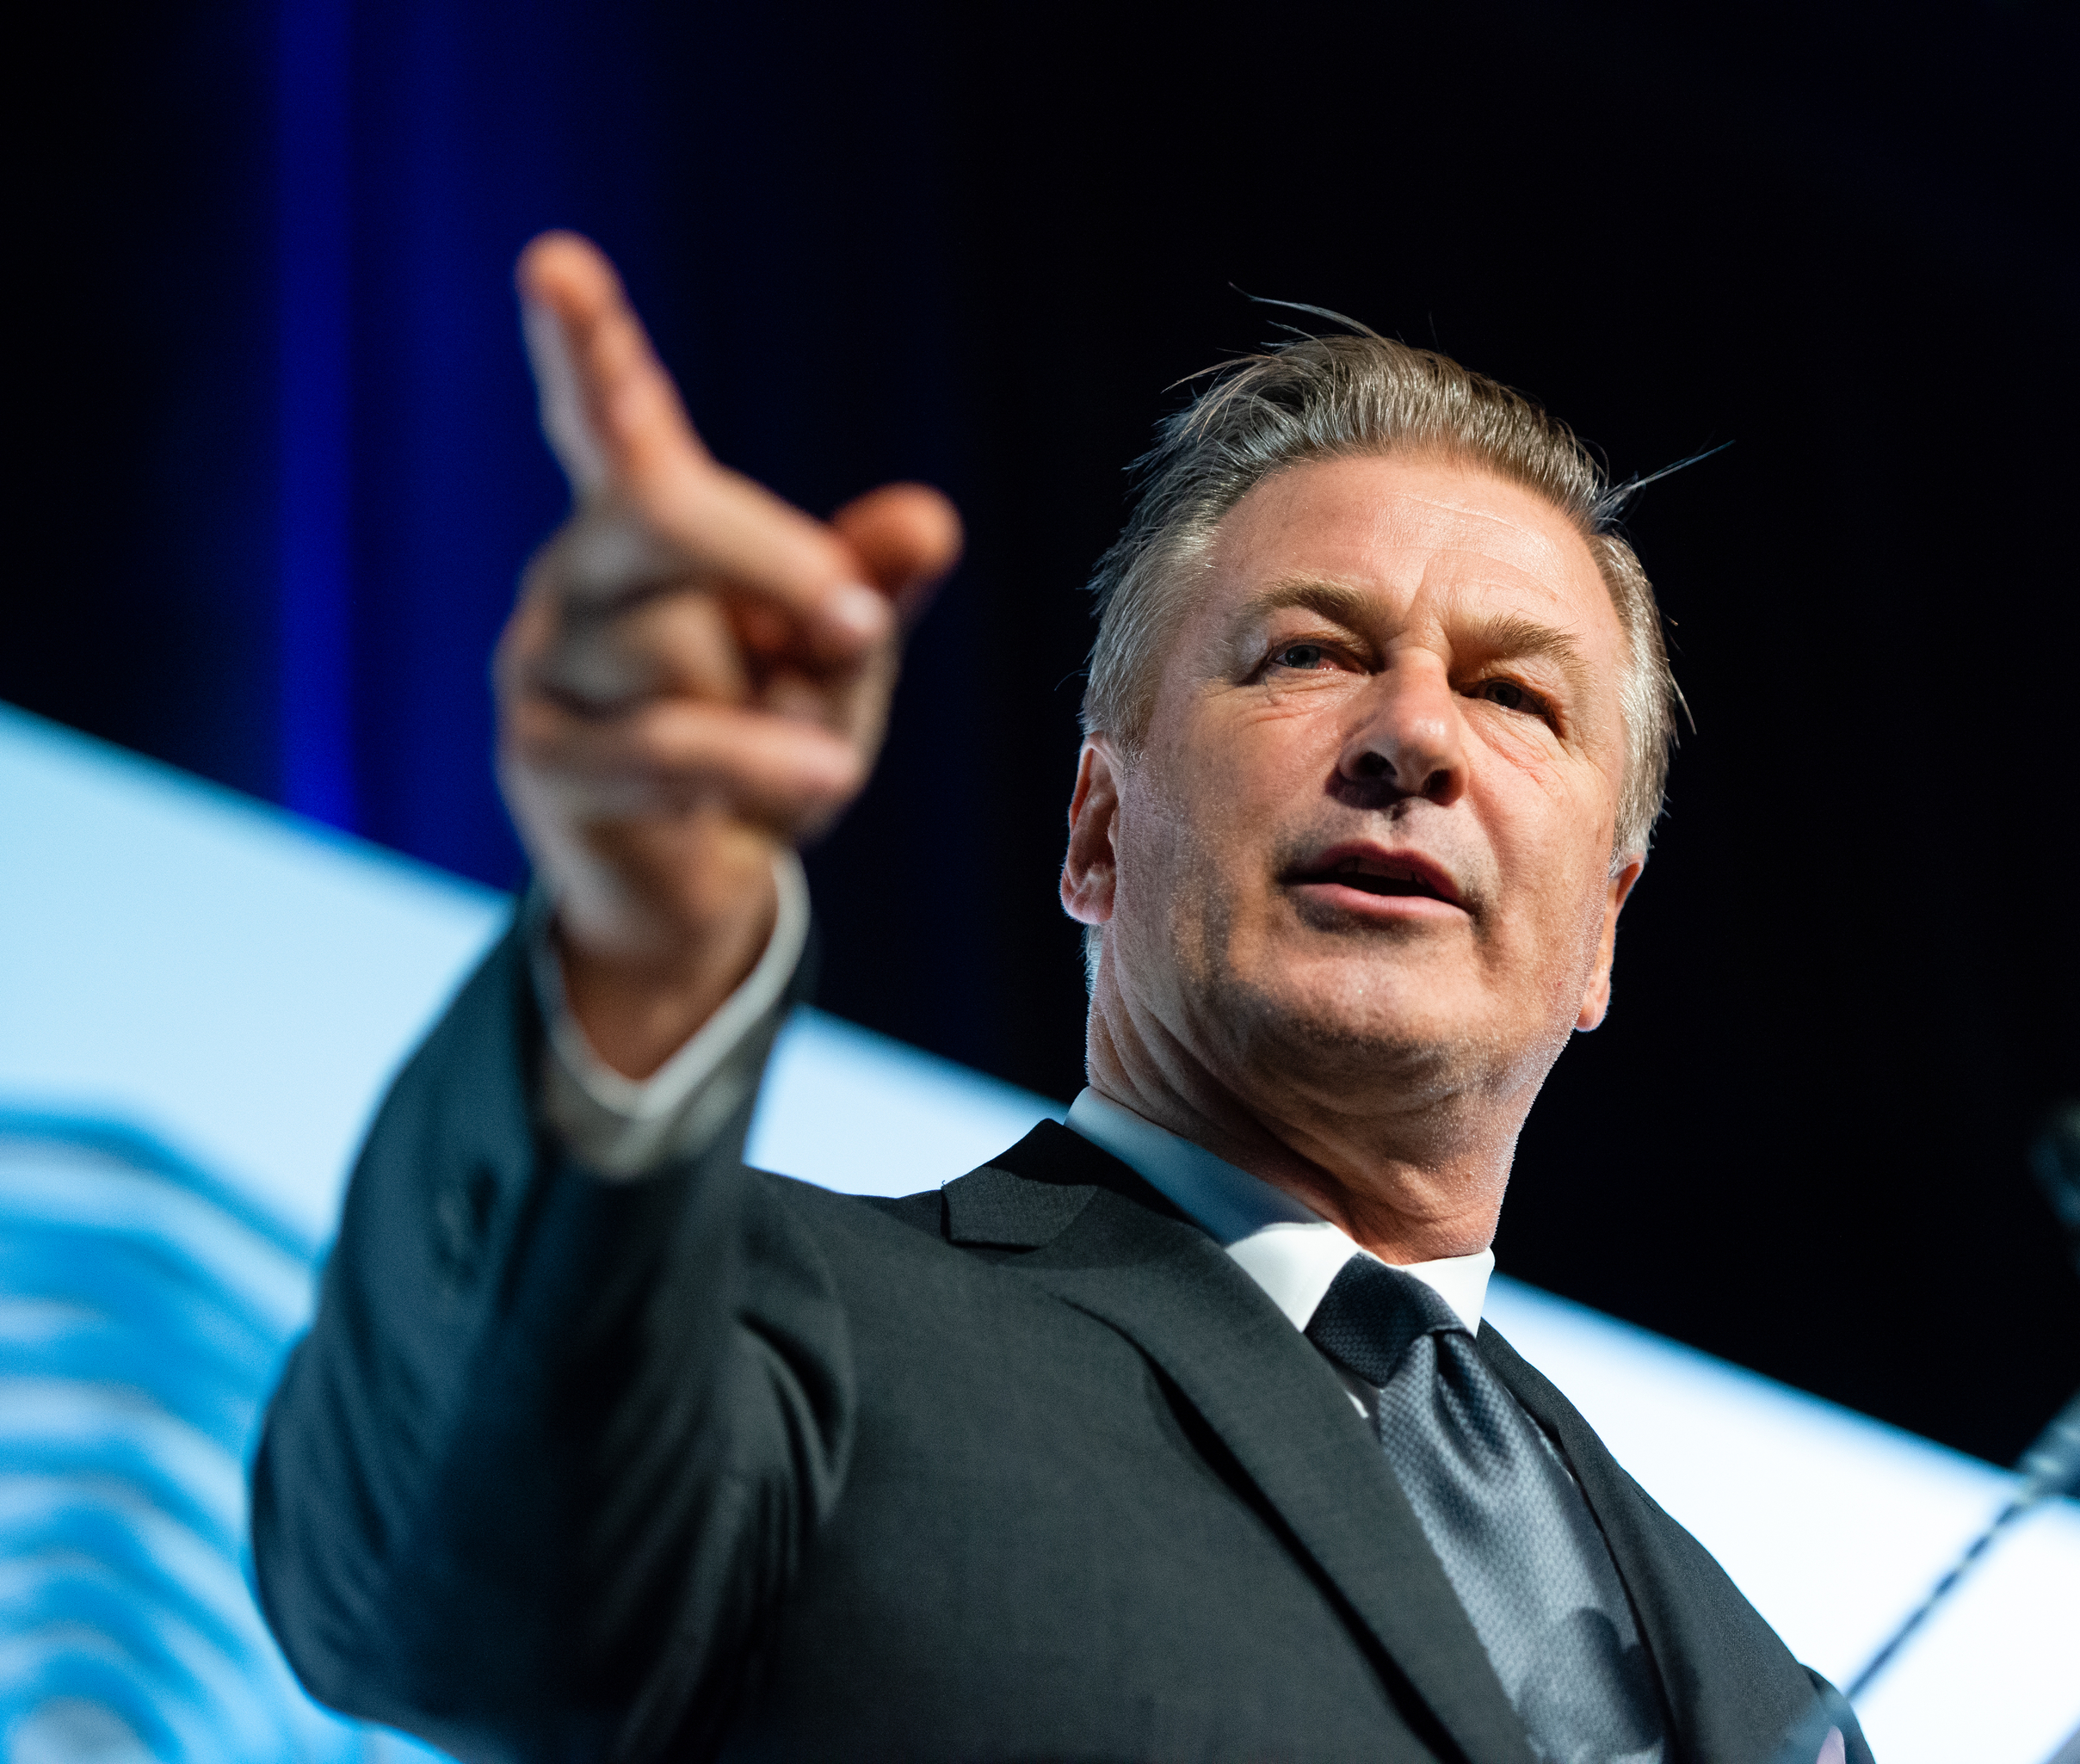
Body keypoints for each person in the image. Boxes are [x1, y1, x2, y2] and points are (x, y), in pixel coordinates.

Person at [251, 231, 1872, 1764]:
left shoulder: (1768, 1685)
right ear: (1097, 827)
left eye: (1514, 692)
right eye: (1308, 653)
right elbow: (437, 1585)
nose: (1414, 738)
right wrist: (635, 942)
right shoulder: (784, 1326)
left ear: (1604, 929)